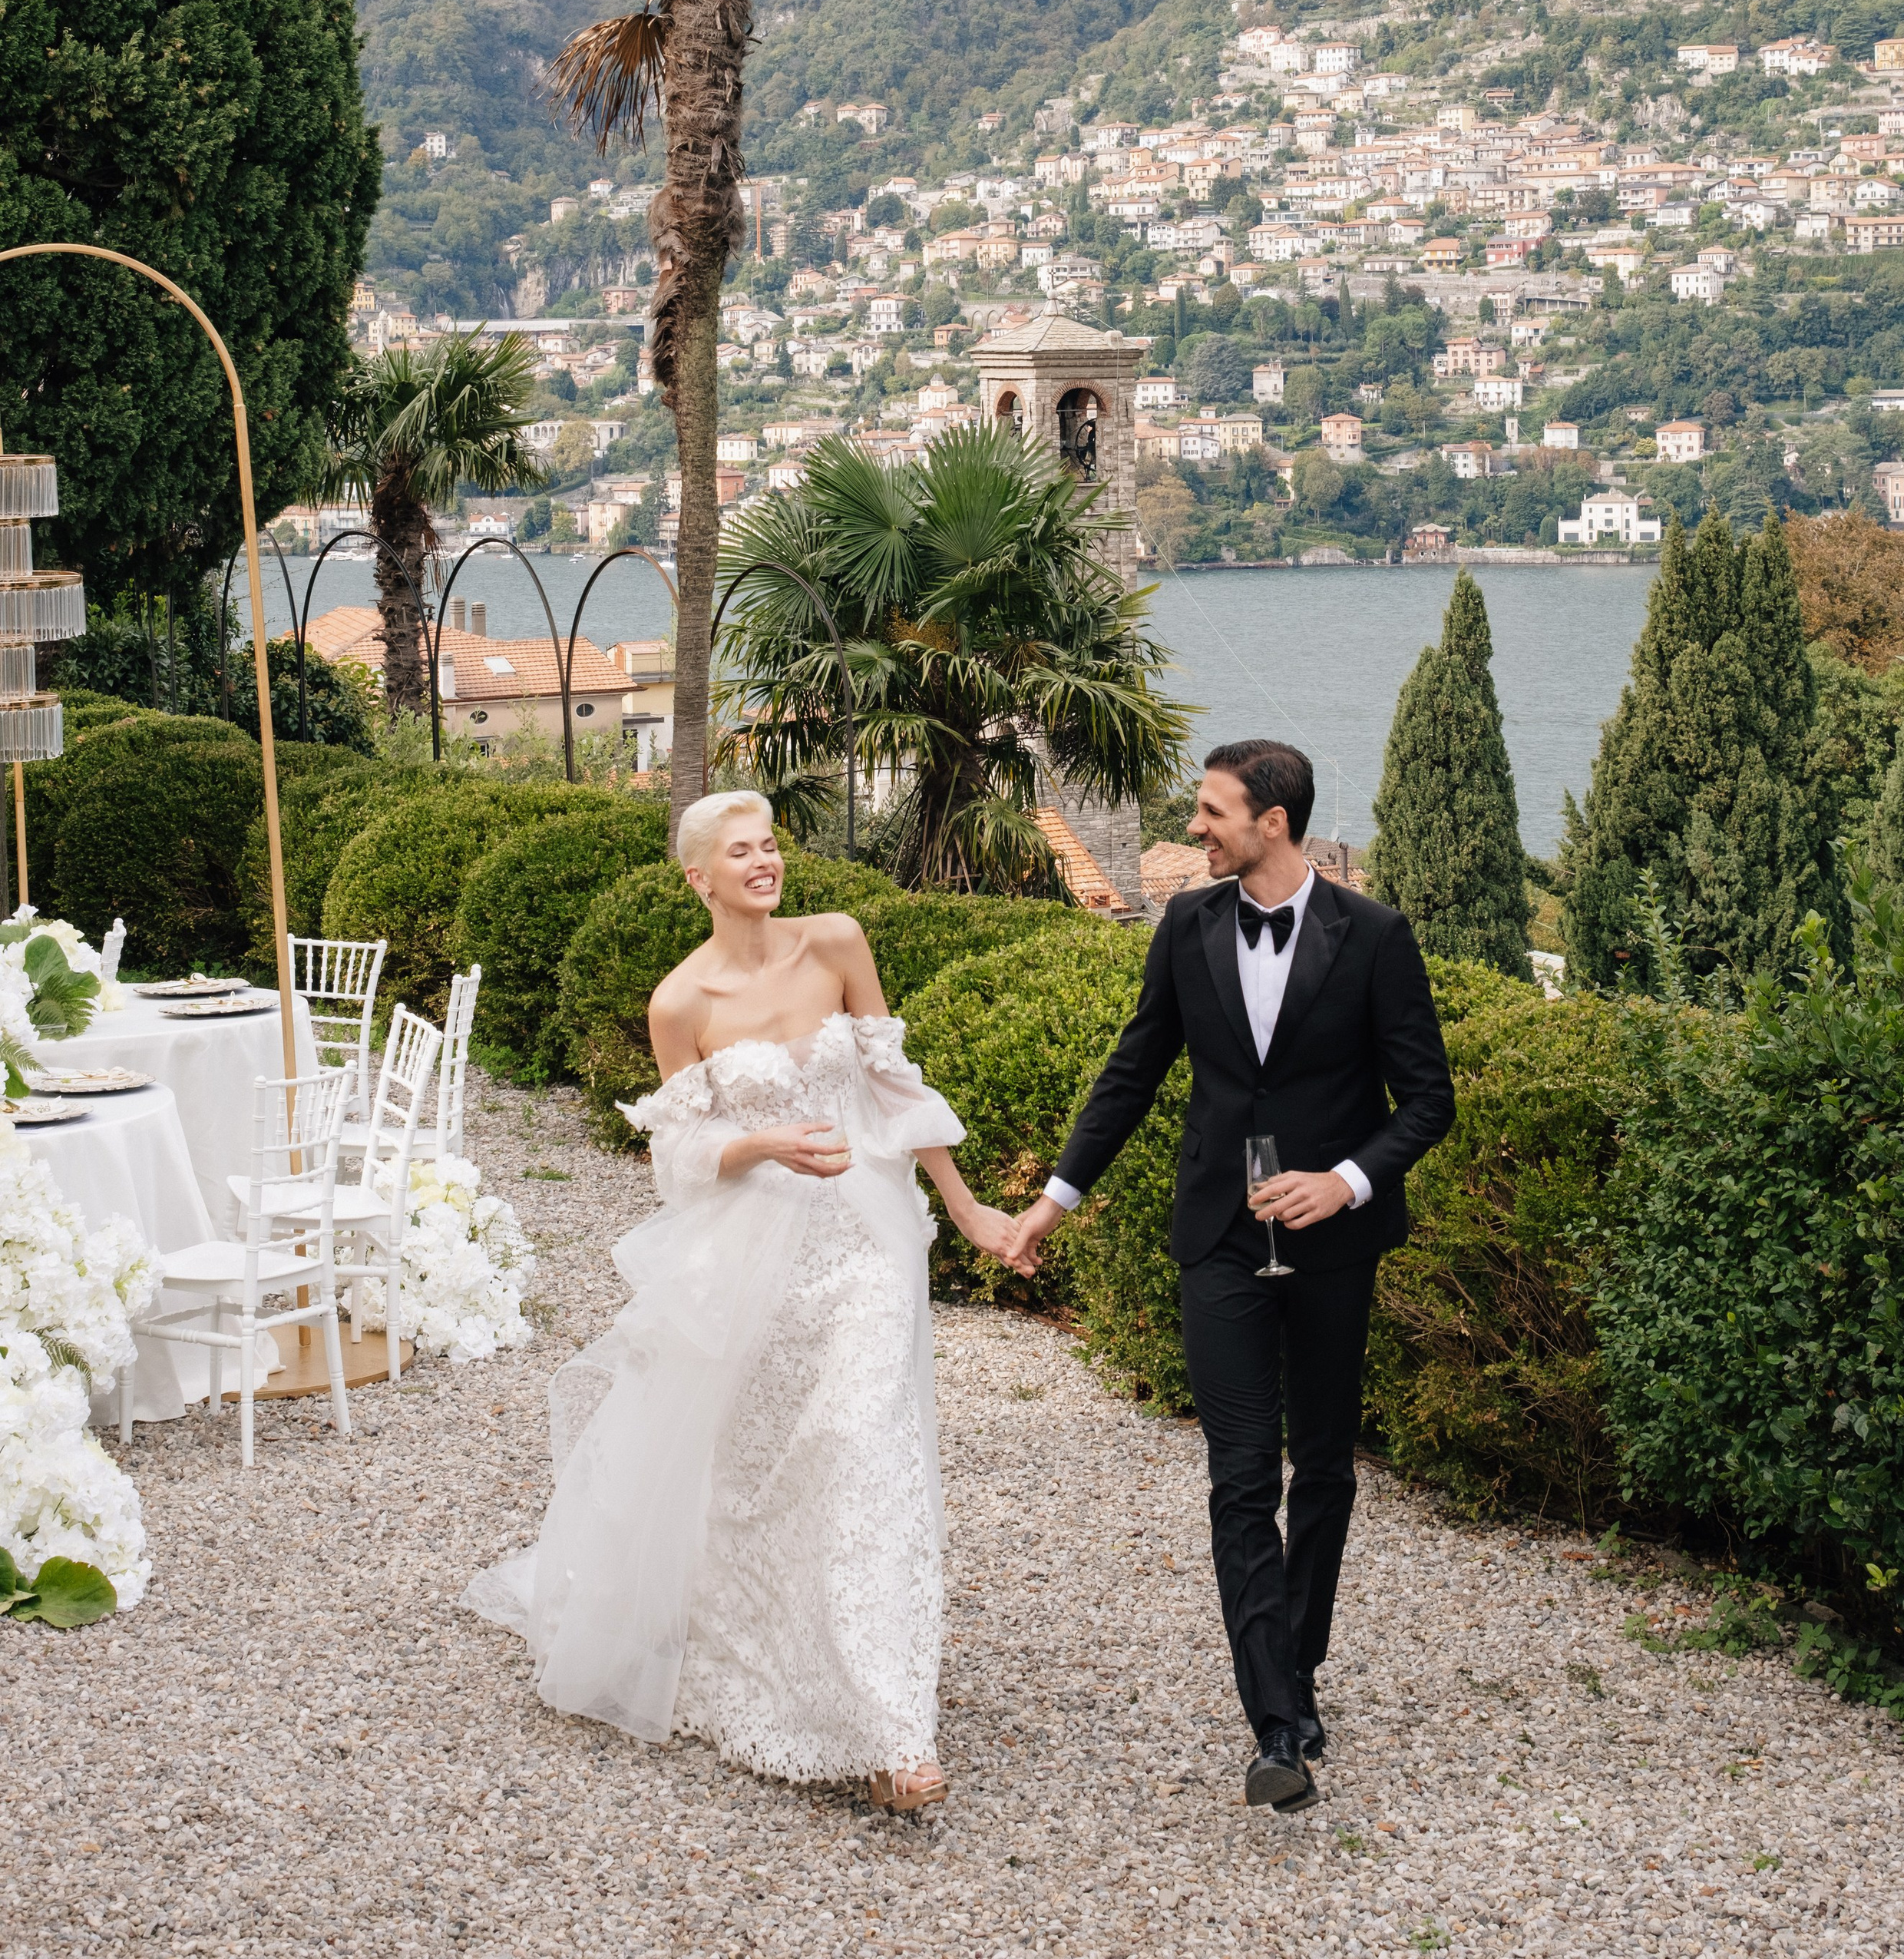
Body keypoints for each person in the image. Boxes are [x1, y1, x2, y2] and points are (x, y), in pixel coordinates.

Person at [468, 789, 1017, 1811]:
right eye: (741, 851)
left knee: (862, 1448)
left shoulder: (838, 941)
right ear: (699, 878)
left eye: (771, 845)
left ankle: (894, 1728)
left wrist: (968, 1205)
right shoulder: (682, 1004)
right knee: (761, 1474)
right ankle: (762, 1650)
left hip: (868, 1245)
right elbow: (675, 1157)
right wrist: (765, 1143)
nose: (765, 862)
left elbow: (895, 1086)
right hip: (753, 1258)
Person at [1004, 737, 1454, 1815]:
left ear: (1275, 823)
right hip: (1216, 1240)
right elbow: (1132, 1070)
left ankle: (1296, 1666)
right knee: (1243, 1476)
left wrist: (1343, 1181)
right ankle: (1275, 1727)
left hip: (1335, 1245)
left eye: (1212, 813)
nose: (1194, 830)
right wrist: (1052, 1201)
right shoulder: (1188, 925)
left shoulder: (1378, 938)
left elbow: (1427, 1101)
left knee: (1327, 1470)